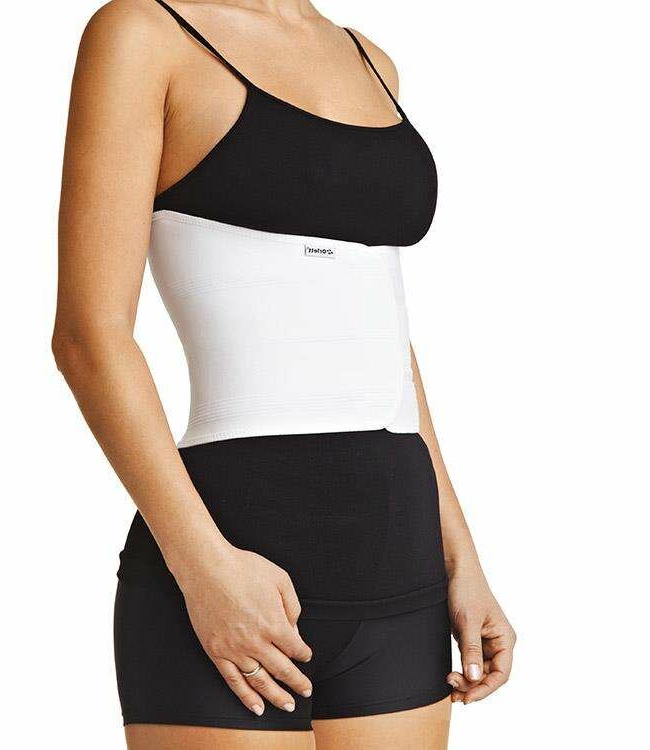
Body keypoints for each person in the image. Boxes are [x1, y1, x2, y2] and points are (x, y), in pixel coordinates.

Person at [53, 1, 516, 747]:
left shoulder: (369, 59)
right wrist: (203, 569)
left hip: (401, 556)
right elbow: (88, 337)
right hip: (230, 552)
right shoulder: (145, 33)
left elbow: (381, 340)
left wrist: (462, 558)